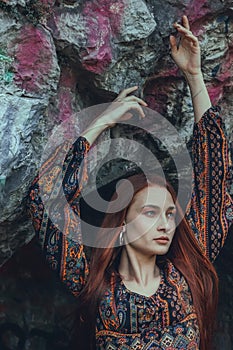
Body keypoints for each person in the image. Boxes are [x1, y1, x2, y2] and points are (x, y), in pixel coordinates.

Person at [28, 16, 232, 350]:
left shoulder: (187, 274)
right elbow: (47, 198)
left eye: (169, 213)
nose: (166, 223)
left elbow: (213, 175)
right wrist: (101, 122)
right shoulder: (92, 283)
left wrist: (195, 76)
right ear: (121, 224)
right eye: (151, 212)